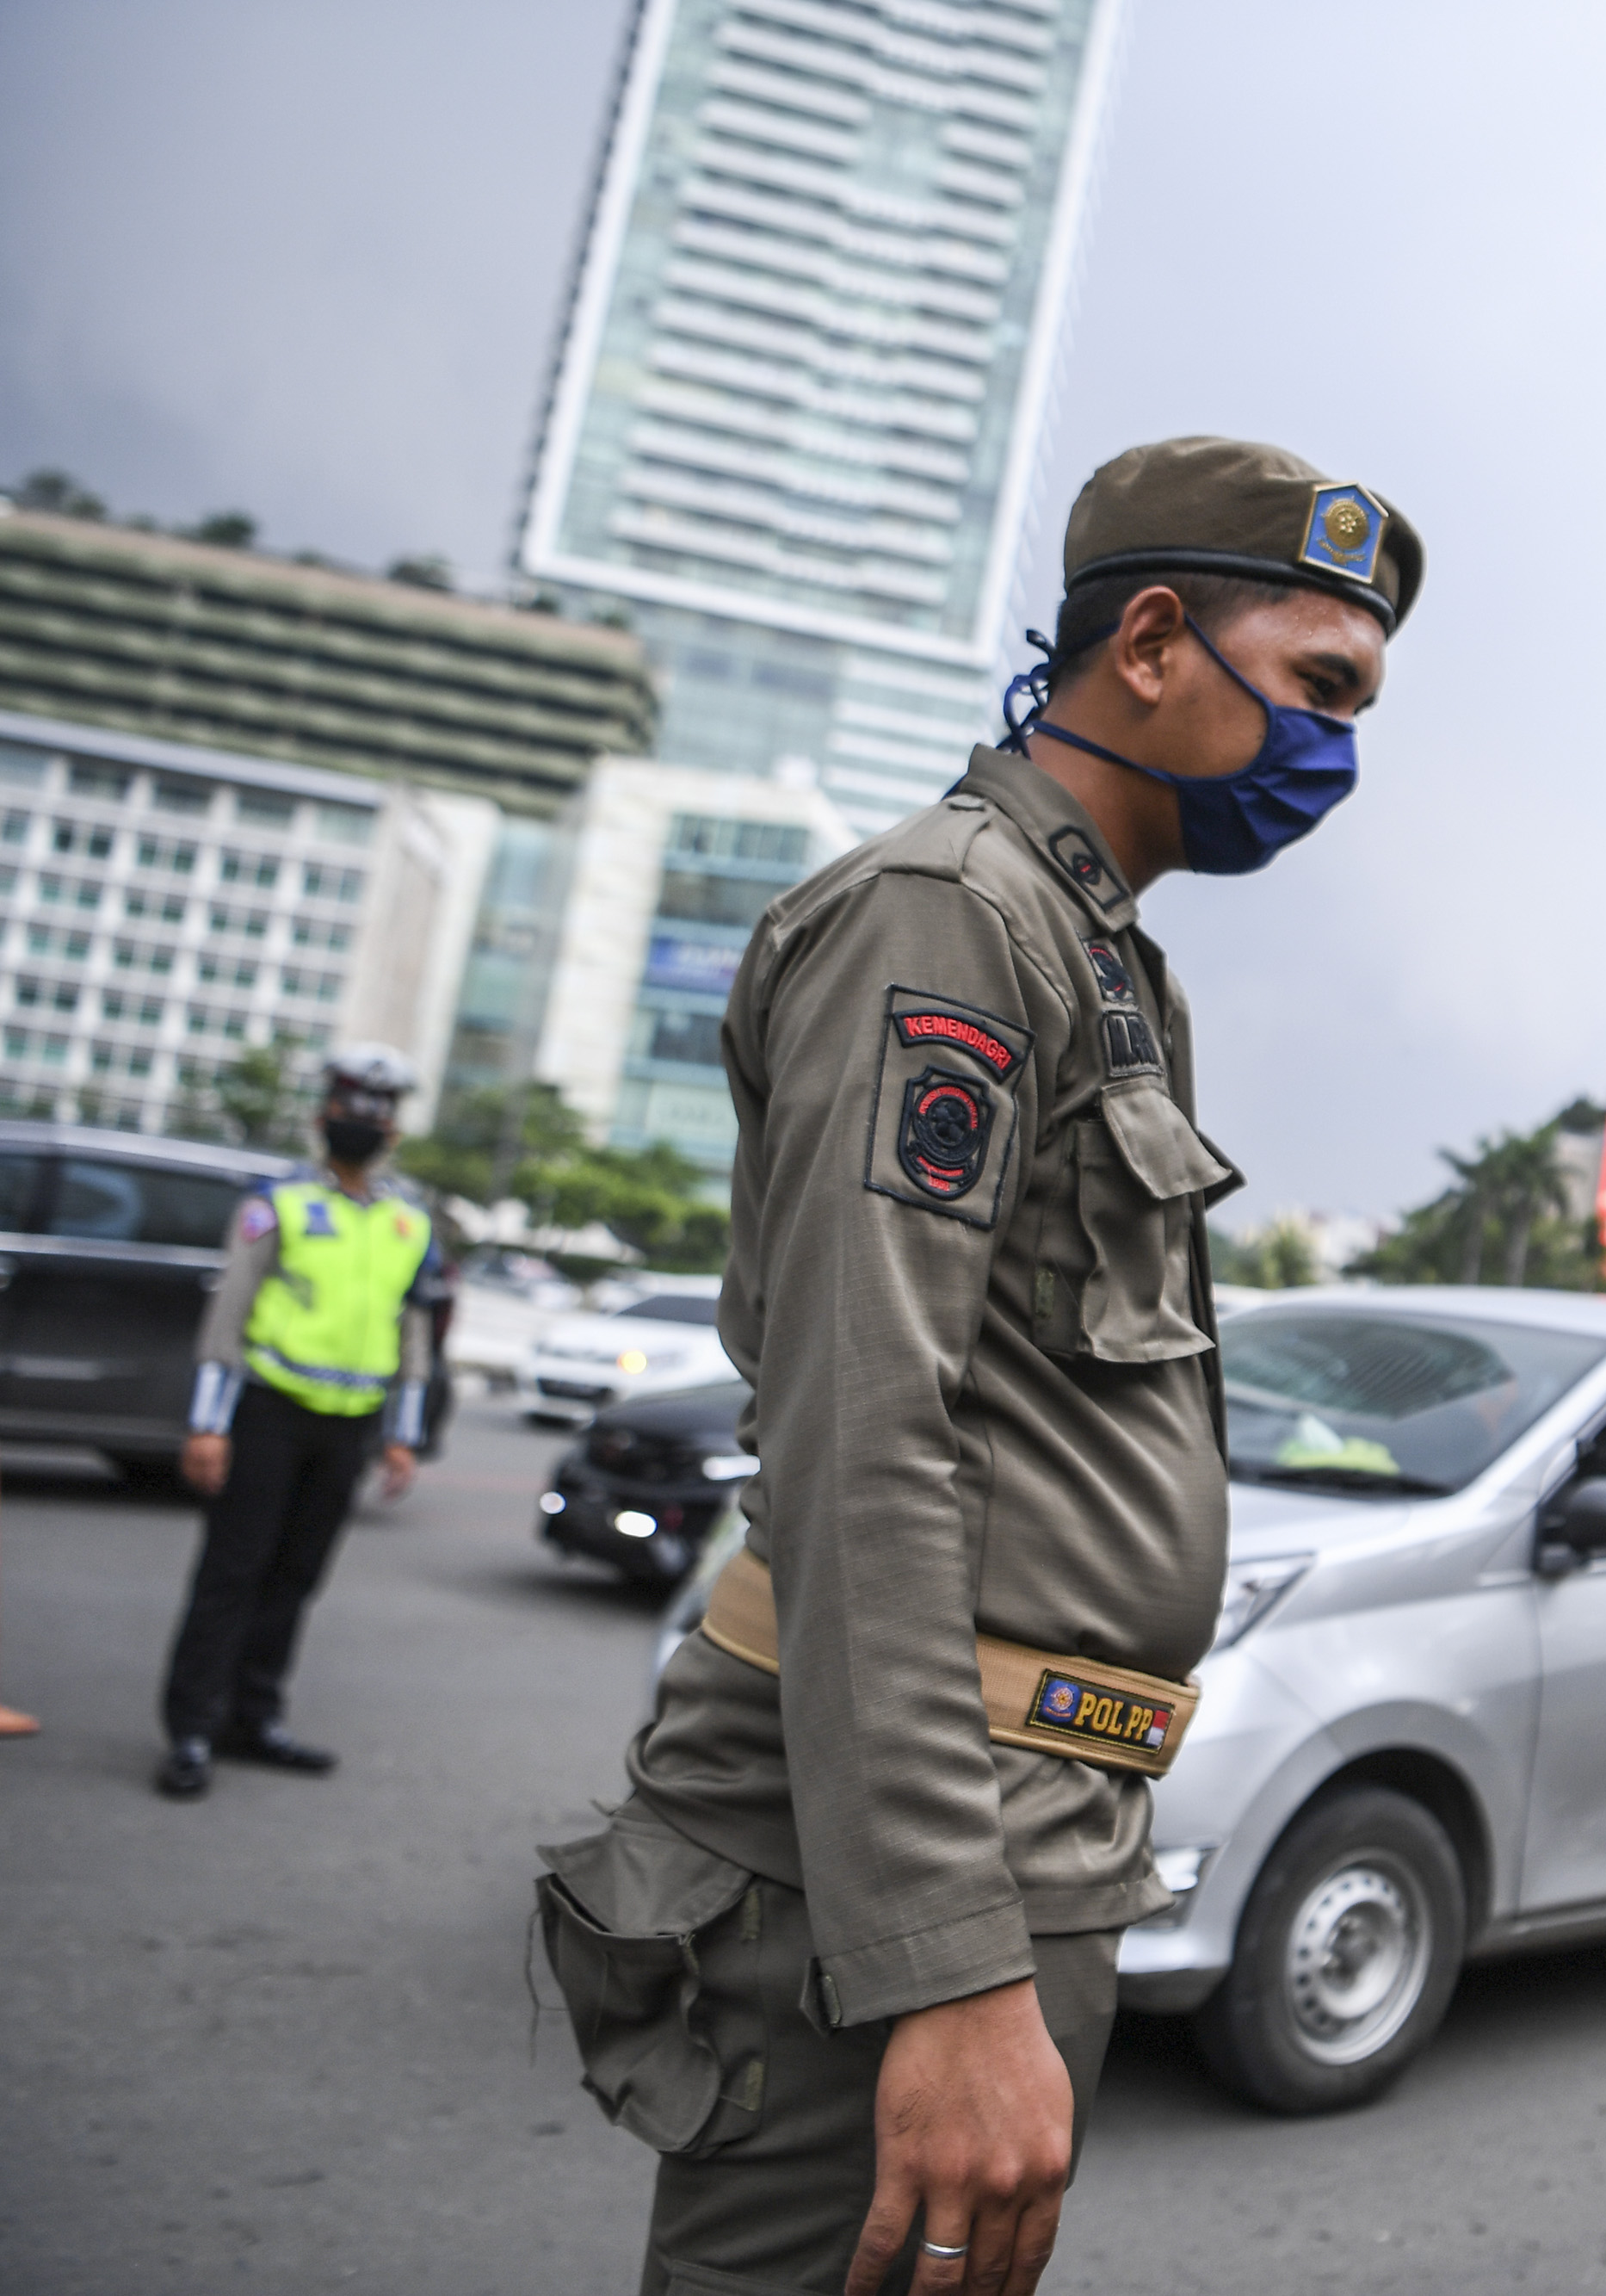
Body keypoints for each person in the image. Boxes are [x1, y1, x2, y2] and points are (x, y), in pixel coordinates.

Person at [534, 439, 1418, 2296]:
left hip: (1036, 1813)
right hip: (885, 1842)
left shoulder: (1103, 954)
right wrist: (942, 1956)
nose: (1339, 748)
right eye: (1319, 685)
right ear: (1155, 639)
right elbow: (868, 1443)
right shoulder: (945, 918)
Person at [155, 1043, 435, 1799]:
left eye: (377, 1111)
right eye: (348, 1106)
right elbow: (228, 1316)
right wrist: (208, 1424)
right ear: (322, 1117)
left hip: (347, 1426)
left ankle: (253, 1718)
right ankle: (190, 1728)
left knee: (295, 1576)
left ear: (394, 1131)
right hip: (270, 1413)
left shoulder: (409, 1220)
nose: (361, 1121)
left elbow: (411, 1329)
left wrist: (402, 1435)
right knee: (232, 1572)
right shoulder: (274, 1203)